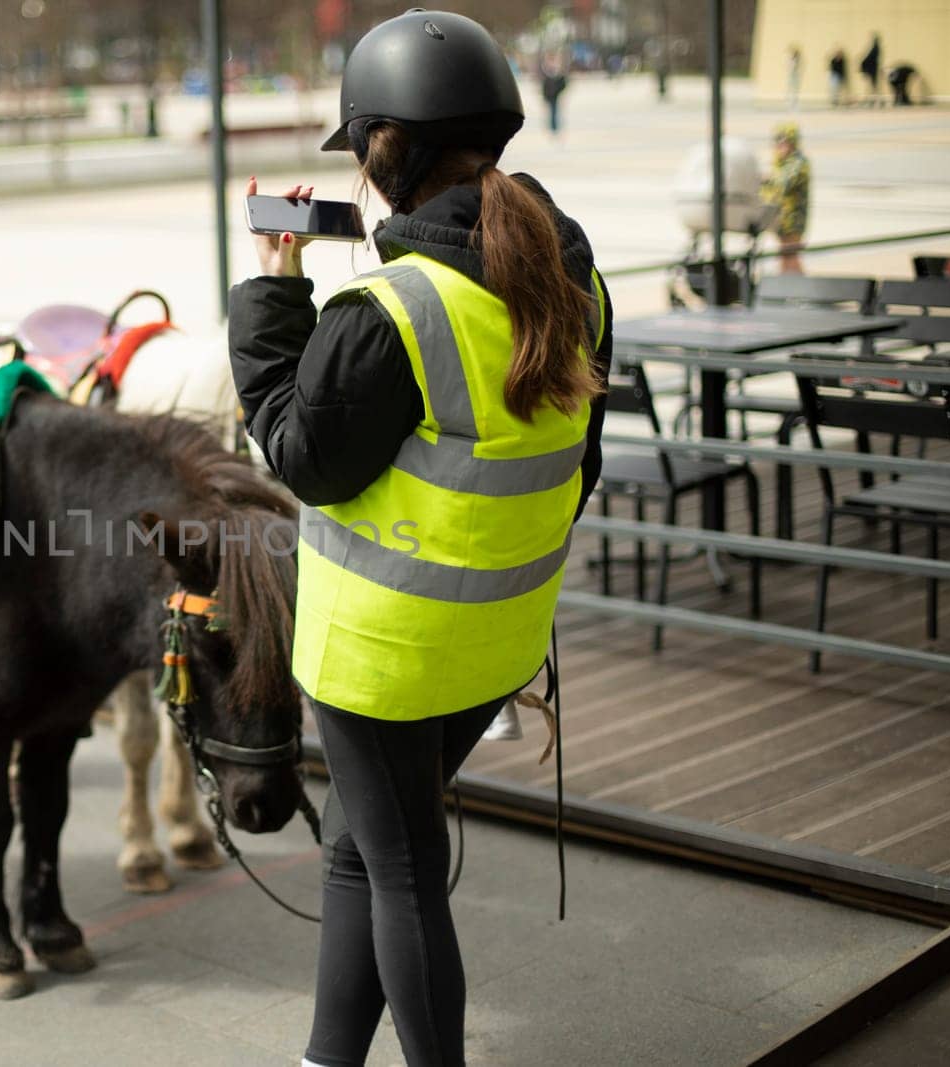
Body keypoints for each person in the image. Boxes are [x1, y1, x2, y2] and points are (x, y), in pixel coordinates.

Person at [228, 11, 611, 1066]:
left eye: (358, 147)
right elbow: (578, 464)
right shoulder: (572, 279)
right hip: (496, 636)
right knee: (361, 843)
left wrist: (272, 285)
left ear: (386, 149)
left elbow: (300, 456)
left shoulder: (388, 307)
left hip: (383, 652)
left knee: (395, 861)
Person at [761, 122, 811, 276]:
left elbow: (783, 185)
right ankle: (788, 286)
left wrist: (767, 180)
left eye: (783, 143)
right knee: (786, 256)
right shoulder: (783, 163)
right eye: (777, 143)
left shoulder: (798, 163)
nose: (778, 147)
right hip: (782, 220)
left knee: (790, 255)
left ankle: (797, 288)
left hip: (793, 221)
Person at [540, 52, 568, 137]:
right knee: (552, 111)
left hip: (555, 94)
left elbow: (562, 83)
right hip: (550, 95)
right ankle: (553, 126)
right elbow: (544, 85)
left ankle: (554, 127)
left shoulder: (557, 70)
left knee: (554, 111)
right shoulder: (547, 70)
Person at [861, 34, 882, 105]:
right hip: (872, 69)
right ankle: (872, 99)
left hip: (872, 70)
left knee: (873, 85)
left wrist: (864, 67)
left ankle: (873, 99)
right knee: (873, 85)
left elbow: (868, 59)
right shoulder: (876, 48)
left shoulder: (875, 48)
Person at [786, 45, 802, 111]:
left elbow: (796, 67)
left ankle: (794, 102)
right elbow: (789, 67)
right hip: (791, 75)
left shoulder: (798, 59)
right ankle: (790, 102)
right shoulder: (791, 59)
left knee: (795, 89)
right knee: (790, 88)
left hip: (795, 75)